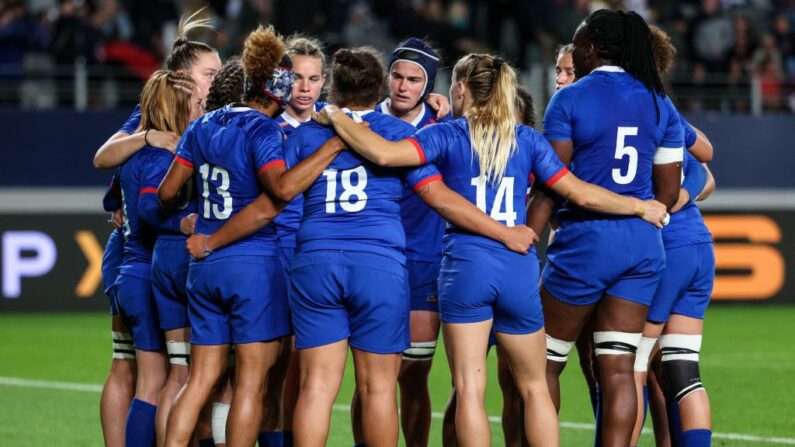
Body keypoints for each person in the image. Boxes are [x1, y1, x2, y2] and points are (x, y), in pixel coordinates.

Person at [316, 51, 668, 446]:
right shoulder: (527, 139)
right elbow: (579, 192)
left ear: (462, 89)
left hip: (466, 267)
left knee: (469, 389)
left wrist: (337, 117)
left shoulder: (446, 135)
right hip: (517, 268)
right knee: (534, 387)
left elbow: (382, 153)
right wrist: (640, 205)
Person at [158, 25, 344, 447]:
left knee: (200, 378)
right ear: (276, 92)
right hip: (252, 266)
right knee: (251, 384)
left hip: (203, 270)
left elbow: (168, 192)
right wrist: (331, 149)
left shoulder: (203, 125)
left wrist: (198, 223)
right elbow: (276, 193)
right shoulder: (265, 131)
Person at [525, 9, 684, 446]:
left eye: (577, 43)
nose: (573, 51)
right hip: (642, 249)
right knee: (617, 370)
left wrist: (522, 240)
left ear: (593, 47)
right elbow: (668, 190)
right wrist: (640, 208)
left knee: (541, 365)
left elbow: (552, 181)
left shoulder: (571, 98)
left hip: (585, 244)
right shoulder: (659, 101)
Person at [358, 37, 452, 447]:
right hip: (371, 262)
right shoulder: (360, 121)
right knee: (371, 379)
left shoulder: (442, 129)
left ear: (428, 85)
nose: (402, 85)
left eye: (414, 79)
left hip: (423, 262)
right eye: (397, 75)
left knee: (414, 375)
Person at [630, 25, 716, 447]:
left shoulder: (633, 109)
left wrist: (669, 201)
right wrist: (684, 193)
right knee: (683, 370)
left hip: (667, 248)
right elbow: (707, 159)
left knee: (633, 365)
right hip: (699, 245)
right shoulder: (664, 106)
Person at [116, 69, 202, 447]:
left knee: (153, 381)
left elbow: (113, 201)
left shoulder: (136, 154)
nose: (203, 109)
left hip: (131, 269)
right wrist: (181, 223)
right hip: (147, 272)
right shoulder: (157, 156)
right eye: (197, 104)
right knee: (161, 382)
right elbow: (150, 206)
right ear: (177, 109)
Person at [93, 9, 221, 170]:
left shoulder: (220, 111)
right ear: (182, 76)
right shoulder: (156, 110)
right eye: (209, 75)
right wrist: (146, 136)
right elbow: (102, 158)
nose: (217, 81)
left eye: (219, 75)